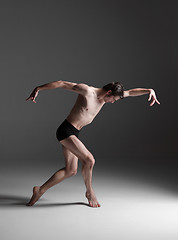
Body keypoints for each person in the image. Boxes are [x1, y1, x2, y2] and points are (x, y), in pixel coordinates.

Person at [26, 80, 160, 208]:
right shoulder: (87, 91)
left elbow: (130, 93)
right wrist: (38, 88)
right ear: (108, 92)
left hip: (74, 132)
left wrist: (150, 90)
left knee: (71, 170)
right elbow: (61, 83)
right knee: (89, 160)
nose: (113, 102)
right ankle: (89, 192)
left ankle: (39, 190)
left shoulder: (105, 98)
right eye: (113, 99)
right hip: (66, 130)